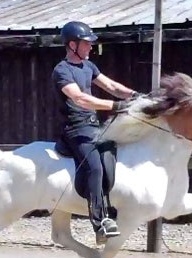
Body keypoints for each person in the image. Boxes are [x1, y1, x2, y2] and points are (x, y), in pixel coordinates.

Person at [51, 20, 140, 244]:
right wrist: (114, 106)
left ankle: (112, 207)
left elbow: (112, 87)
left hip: (93, 126)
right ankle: (100, 223)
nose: (91, 47)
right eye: (87, 43)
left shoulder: (89, 67)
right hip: (74, 129)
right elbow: (80, 98)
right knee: (94, 166)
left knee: (112, 156)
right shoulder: (62, 70)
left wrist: (136, 96)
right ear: (73, 45)